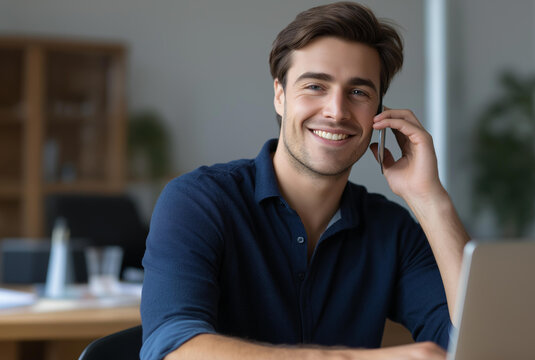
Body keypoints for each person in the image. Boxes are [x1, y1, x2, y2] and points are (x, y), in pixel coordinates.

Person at [140, 2, 469, 359]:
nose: (336, 111)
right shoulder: (198, 201)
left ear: (378, 114)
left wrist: (430, 199)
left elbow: (473, 343)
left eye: (358, 92)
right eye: (315, 86)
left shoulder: (393, 231)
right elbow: (173, 348)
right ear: (279, 95)